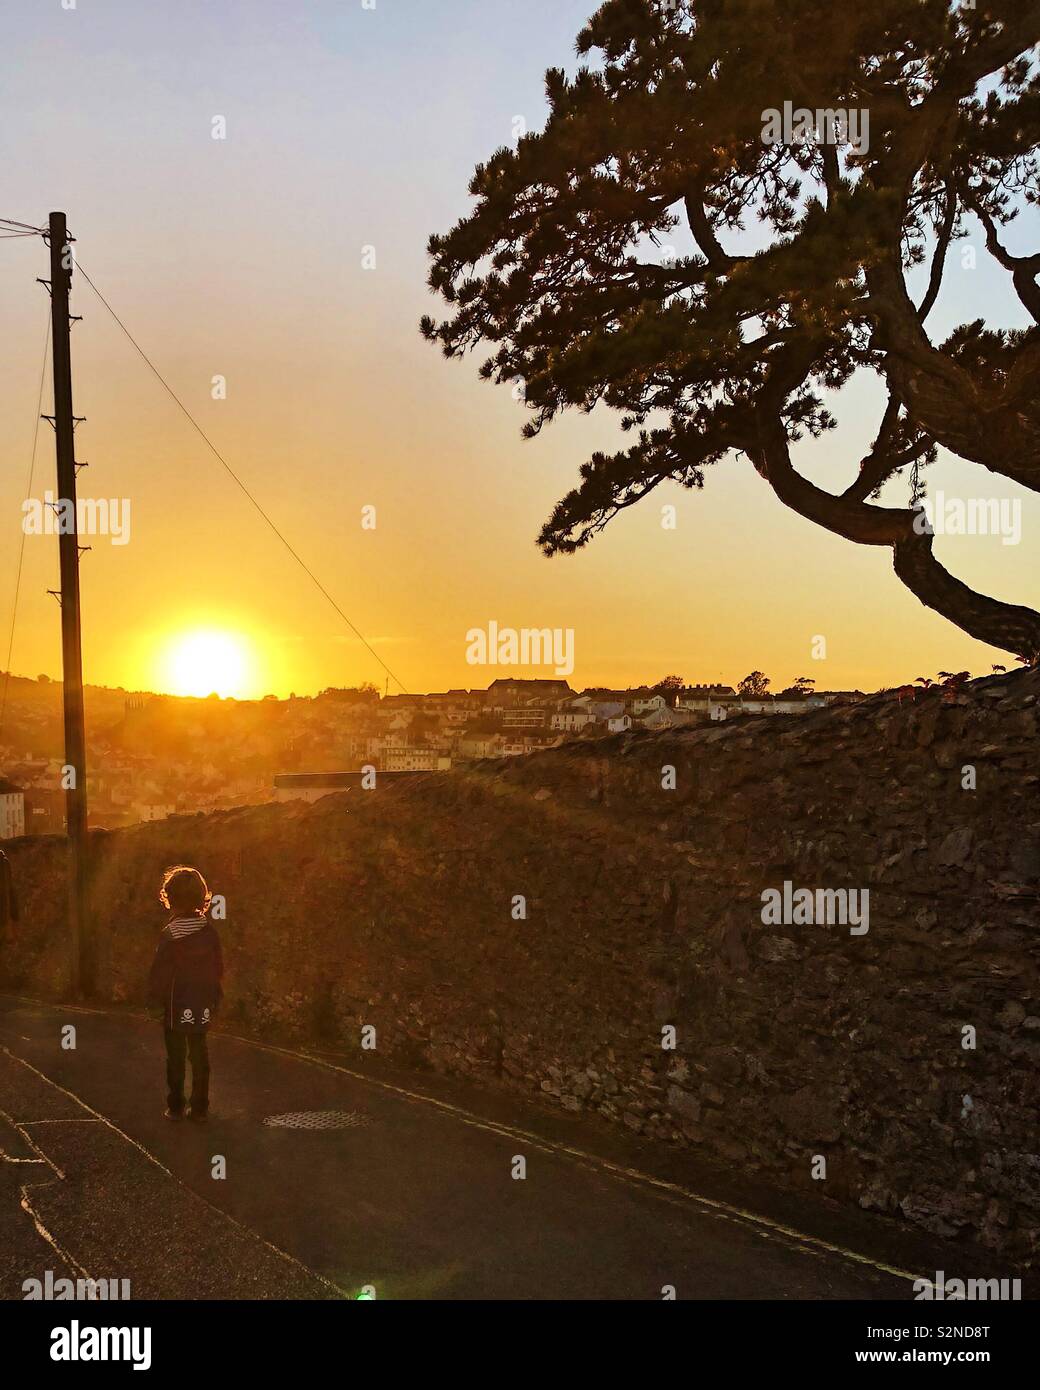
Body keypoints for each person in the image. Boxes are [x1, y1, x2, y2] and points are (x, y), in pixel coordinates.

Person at [147, 865, 222, 1122]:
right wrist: (215, 997)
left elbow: (160, 972)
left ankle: (176, 1106)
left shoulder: (170, 935)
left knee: (176, 1056)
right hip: (201, 1002)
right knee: (199, 1052)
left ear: (170, 898)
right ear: (202, 897)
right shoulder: (210, 933)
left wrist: (154, 998)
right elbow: (217, 968)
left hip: (175, 1003)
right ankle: (200, 1107)